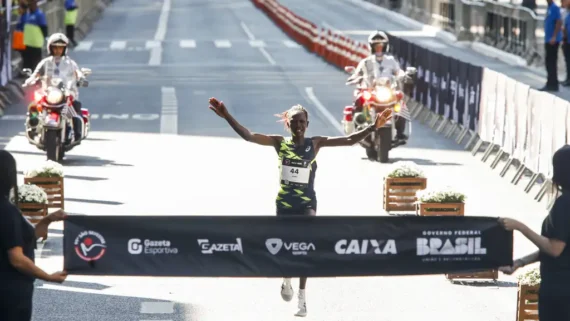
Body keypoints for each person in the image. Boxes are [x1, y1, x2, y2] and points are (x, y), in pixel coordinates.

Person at [209, 97, 392, 317]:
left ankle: (302, 298)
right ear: (288, 124)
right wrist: (227, 116)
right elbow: (249, 136)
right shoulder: (279, 143)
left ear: (307, 124)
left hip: (307, 204)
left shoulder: (315, 144)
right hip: (285, 204)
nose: (298, 126)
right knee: (287, 247)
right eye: (294, 122)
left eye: (302, 122)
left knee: (304, 247)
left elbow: (349, 139)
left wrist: (374, 126)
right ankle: (287, 277)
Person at [498, 144, 570, 321]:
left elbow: (555, 249)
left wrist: (520, 226)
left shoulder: (564, 204)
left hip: (560, 292)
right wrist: (520, 262)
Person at [0, 150, 68, 321]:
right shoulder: (6, 211)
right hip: (10, 297)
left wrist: (47, 220)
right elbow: (16, 258)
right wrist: (48, 276)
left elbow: (22, 239)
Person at [347, 30, 413, 142]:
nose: (379, 49)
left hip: (387, 91)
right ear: (371, 47)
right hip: (371, 90)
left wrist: (404, 75)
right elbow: (357, 74)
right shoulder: (366, 62)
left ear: (385, 47)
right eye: (376, 46)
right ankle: (358, 127)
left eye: (381, 46)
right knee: (358, 99)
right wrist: (354, 77)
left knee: (401, 105)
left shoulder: (391, 61)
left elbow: (398, 72)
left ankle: (400, 132)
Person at [24, 32, 89, 142]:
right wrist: (30, 80)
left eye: (60, 48)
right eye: (55, 48)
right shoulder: (45, 62)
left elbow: (78, 72)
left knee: (75, 108)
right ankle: (34, 127)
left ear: (64, 49)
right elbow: (36, 74)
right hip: (48, 92)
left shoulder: (70, 63)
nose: (58, 50)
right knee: (33, 106)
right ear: (50, 48)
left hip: (65, 93)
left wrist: (81, 78)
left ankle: (77, 133)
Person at [541, 0, 563, 91]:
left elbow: (558, 22)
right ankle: (550, 81)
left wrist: (554, 36)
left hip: (553, 40)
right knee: (548, 62)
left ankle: (553, 83)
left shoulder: (555, 8)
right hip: (548, 39)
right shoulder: (549, 8)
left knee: (551, 62)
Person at [22, 0, 47, 71]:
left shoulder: (39, 14)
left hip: (36, 44)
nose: (30, 5)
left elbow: (44, 28)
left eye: (31, 3)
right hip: (27, 44)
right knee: (27, 64)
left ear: (35, 3)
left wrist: (45, 38)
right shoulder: (27, 15)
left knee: (36, 64)